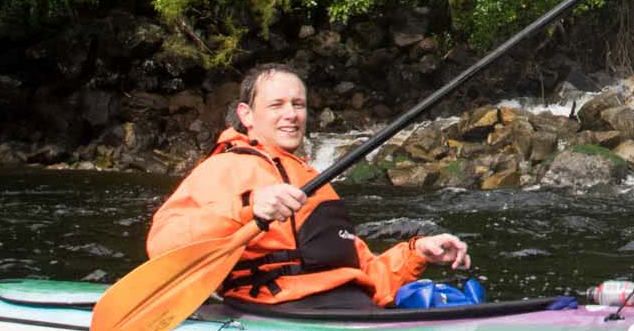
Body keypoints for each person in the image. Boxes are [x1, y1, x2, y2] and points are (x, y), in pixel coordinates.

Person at [148, 63, 471, 310]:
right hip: (278, 309)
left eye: (298, 104)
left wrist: (416, 252)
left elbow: (368, 277)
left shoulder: (313, 180)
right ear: (246, 115)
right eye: (277, 105)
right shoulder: (225, 167)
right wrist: (248, 207)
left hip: (345, 307)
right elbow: (163, 244)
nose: (291, 115)